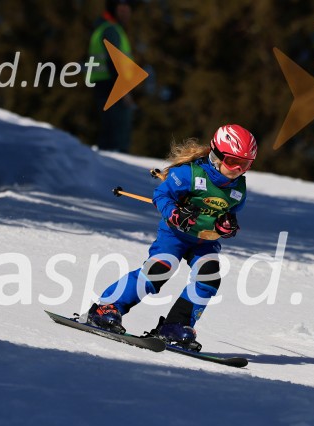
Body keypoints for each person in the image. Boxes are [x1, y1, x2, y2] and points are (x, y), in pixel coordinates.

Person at [85, 124, 258, 351]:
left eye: (245, 164)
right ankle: (107, 308)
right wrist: (175, 214)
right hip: (175, 235)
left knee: (209, 277)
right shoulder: (189, 174)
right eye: (232, 162)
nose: (238, 169)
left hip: (204, 242)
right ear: (216, 155)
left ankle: (177, 325)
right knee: (160, 269)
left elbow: (227, 214)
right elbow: (161, 195)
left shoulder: (238, 189)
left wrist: (225, 225)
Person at [87, 0, 135, 152]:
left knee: (109, 135)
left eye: (128, 7)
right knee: (116, 140)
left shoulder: (105, 29)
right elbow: (113, 61)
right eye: (121, 7)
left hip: (106, 85)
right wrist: (123, 90)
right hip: (111, 87)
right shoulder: (110, 30)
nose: (126, 11)